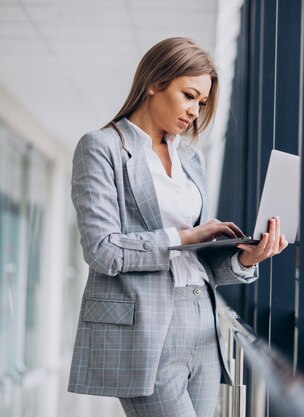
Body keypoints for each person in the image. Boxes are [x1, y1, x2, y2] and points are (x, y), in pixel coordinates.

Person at [67, 37, 287, 417]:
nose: (195, 111)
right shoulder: (101, 147)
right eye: (189, 95)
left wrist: (247, 260)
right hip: (146, 327)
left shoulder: (189, 157)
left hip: (203, 322)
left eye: (201, 103)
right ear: (155, 82)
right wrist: (186, 236)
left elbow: (195, 262)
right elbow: (102, 250)